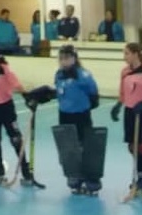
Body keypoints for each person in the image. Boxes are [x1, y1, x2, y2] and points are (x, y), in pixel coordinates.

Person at [34, 45, 102, 193]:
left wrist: (83, 106)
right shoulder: (59, 75)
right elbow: (60, 92)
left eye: (67, 58)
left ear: (74, 58)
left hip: (81, 115)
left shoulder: (84, 76)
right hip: (64, 115)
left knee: (84, 146)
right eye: (61, 58)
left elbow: (94, 95)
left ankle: (90, 177)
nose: (63, 61)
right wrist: (47, 95)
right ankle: (74, 175)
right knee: (68, 148)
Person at [110, 42, 142, 199]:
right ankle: (139, 176)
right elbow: (123, 92)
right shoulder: (125, 72)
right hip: (130, 112)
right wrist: (118, 105)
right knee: (133, 146)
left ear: (135, 54)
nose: (124, 57)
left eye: (127, 53)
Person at [0, 46, 37, 186]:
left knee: (16, 139)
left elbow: (16, 84)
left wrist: (27, 97)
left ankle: (25, 170)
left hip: (6, 108)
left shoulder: (5, 70)